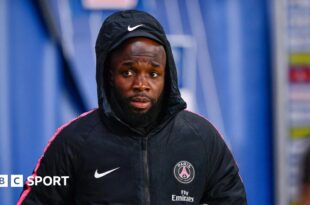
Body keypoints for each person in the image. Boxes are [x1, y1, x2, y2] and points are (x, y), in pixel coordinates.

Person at [18, 10, 247, 205]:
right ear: (109, 74)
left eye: (153, 74)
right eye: (128, 72)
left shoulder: (202, 137)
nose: (141, 85)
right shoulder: (74, 141)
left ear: (167, 77)